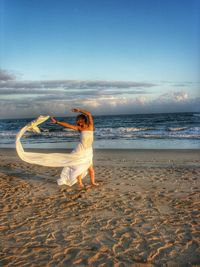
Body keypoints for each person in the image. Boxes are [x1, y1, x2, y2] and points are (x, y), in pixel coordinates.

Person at [50, 108, 98, 188]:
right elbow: (68, 125)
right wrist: (57, 122)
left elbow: (89, 114)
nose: (77, 122)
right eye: (77, 121)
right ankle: (80, 183)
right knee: (79, 167)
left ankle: (93, 183)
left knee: (91, 169)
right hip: (80, 150)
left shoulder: (90, 126)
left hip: (89, 151)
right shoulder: (79, 128)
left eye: (78, 121)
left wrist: (79, 110)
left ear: (82, 120)